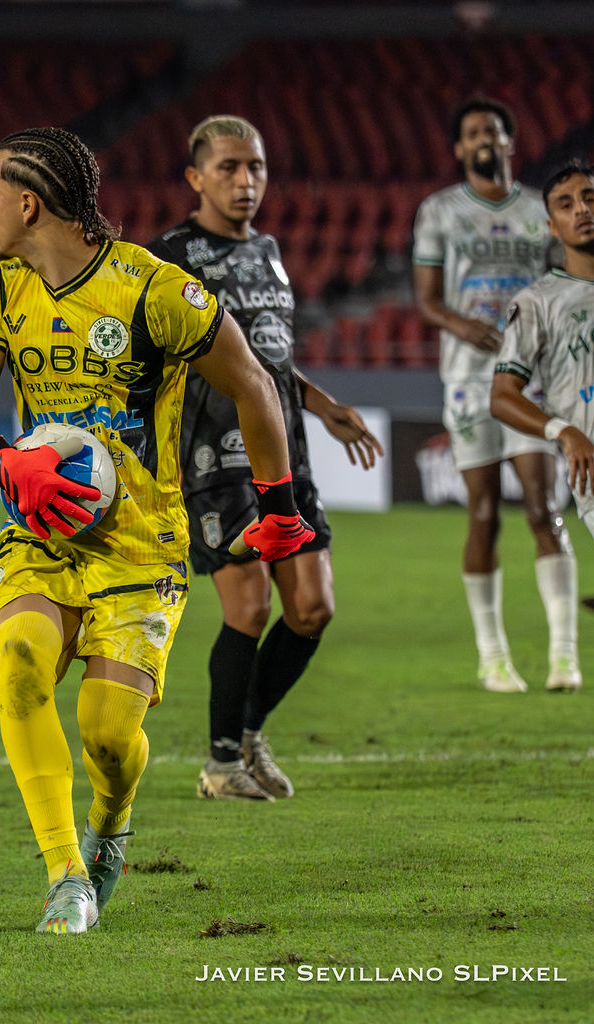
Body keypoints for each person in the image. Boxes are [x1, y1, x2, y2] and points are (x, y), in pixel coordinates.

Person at [0, 126, 313, 934]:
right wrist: (5, 460)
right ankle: (65, 876)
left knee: (108, 735)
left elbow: (255, 384)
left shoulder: (153, 290)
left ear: (29, 203)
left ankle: (110, 828)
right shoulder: (0, 289)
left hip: (141, 546)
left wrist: (279, 507)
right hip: (43, 529)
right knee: (21, 660)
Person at [149, 115, 384, 802]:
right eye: (228, 167)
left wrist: (320, 402)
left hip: (285, 452)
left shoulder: (270, 252)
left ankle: (249, 732)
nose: (245, 180)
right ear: (195, 178)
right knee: (248, 609)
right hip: (212, 455)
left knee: (312, 607)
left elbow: (266, 359)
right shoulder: (169, 256)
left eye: (254, 166)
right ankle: (221, 765)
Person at [412, 95, 579, 694]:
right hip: (467, 379)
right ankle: (493, 657)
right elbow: (427, 299)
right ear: (460, 148)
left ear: (510, 141)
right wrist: (461, 325)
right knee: (482, 515)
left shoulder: (540, 210)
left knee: (542, 507)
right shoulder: (439, 211)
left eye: (493, 130)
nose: (484, 139)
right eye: (474, 132)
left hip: (529, 376)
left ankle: (564, 655)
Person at [491, 163, 594, 600]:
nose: (582, 209)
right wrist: (564, 431)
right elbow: (502, 396)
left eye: (590, 198)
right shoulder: (537, 303)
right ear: (552, 227)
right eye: (566, 205)